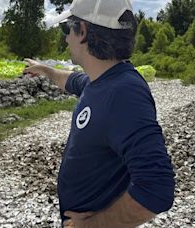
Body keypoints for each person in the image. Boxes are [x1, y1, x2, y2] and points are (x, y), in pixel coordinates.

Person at [23, 0, 175, 227]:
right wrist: (45, 70)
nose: (66, 38)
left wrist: (91, 225)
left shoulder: (123, 93)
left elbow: (156, 188)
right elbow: (72, 81)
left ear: (82, 31)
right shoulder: (103, 81)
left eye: (67, 29)